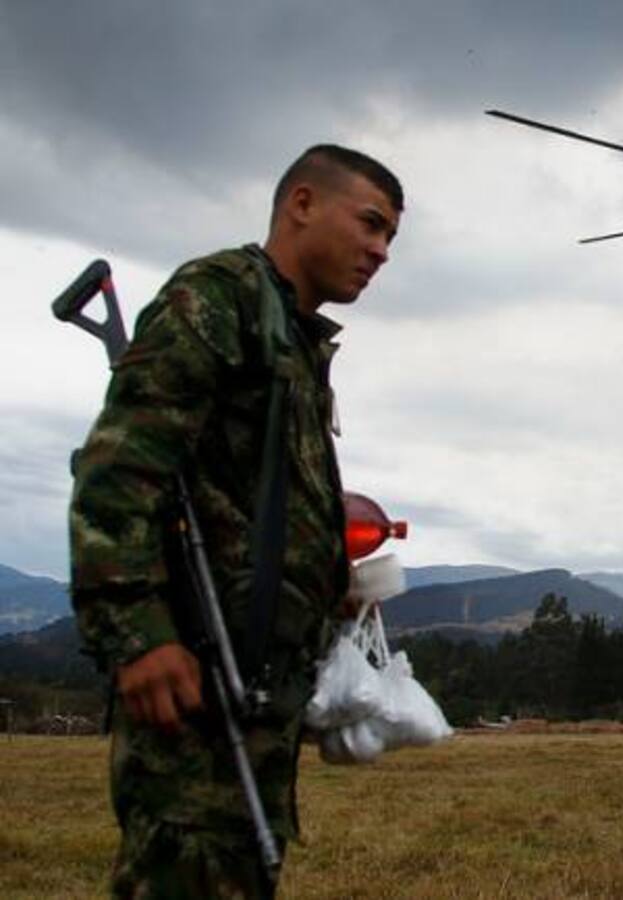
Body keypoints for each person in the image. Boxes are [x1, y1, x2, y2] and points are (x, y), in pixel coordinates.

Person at [68, 144, 403, 897]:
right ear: (302, 204)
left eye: (390, 236)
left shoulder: (290, 337)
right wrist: (139, 635)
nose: (381, 251)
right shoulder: (218, 302)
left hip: (255, 688)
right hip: (196, 679)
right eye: (370, 223)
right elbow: (118, 472)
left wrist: (329, 587)